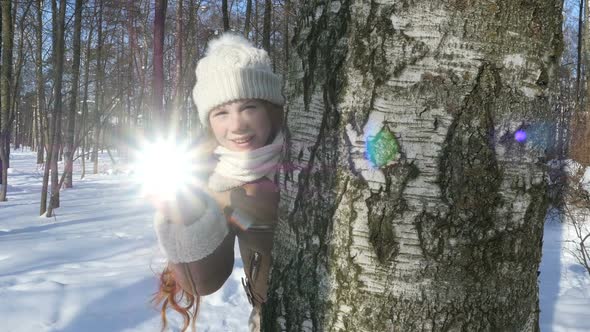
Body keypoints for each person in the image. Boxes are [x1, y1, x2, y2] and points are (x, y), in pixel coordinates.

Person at [152, 33, 285, 332]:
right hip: (275, 319)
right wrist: (186, 218)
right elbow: (204, 281)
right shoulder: (215, 186)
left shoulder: (311, 150)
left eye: (249, 107)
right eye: (222, 112)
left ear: (271, 108)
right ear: (209, 121)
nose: (236, 125)